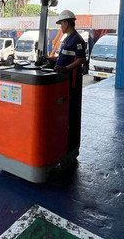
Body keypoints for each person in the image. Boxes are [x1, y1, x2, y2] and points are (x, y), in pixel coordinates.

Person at [53, 10, 86, 152]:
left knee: (72, 112)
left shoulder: (77, 39)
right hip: (64, 80)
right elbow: (62, 57)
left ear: (67, 22)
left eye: (61, 23)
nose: (61, 26)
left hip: (72, 81)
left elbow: (81, 59)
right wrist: (49, 59)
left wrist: (65, 68)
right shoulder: (66, 39)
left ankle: (71, 145)